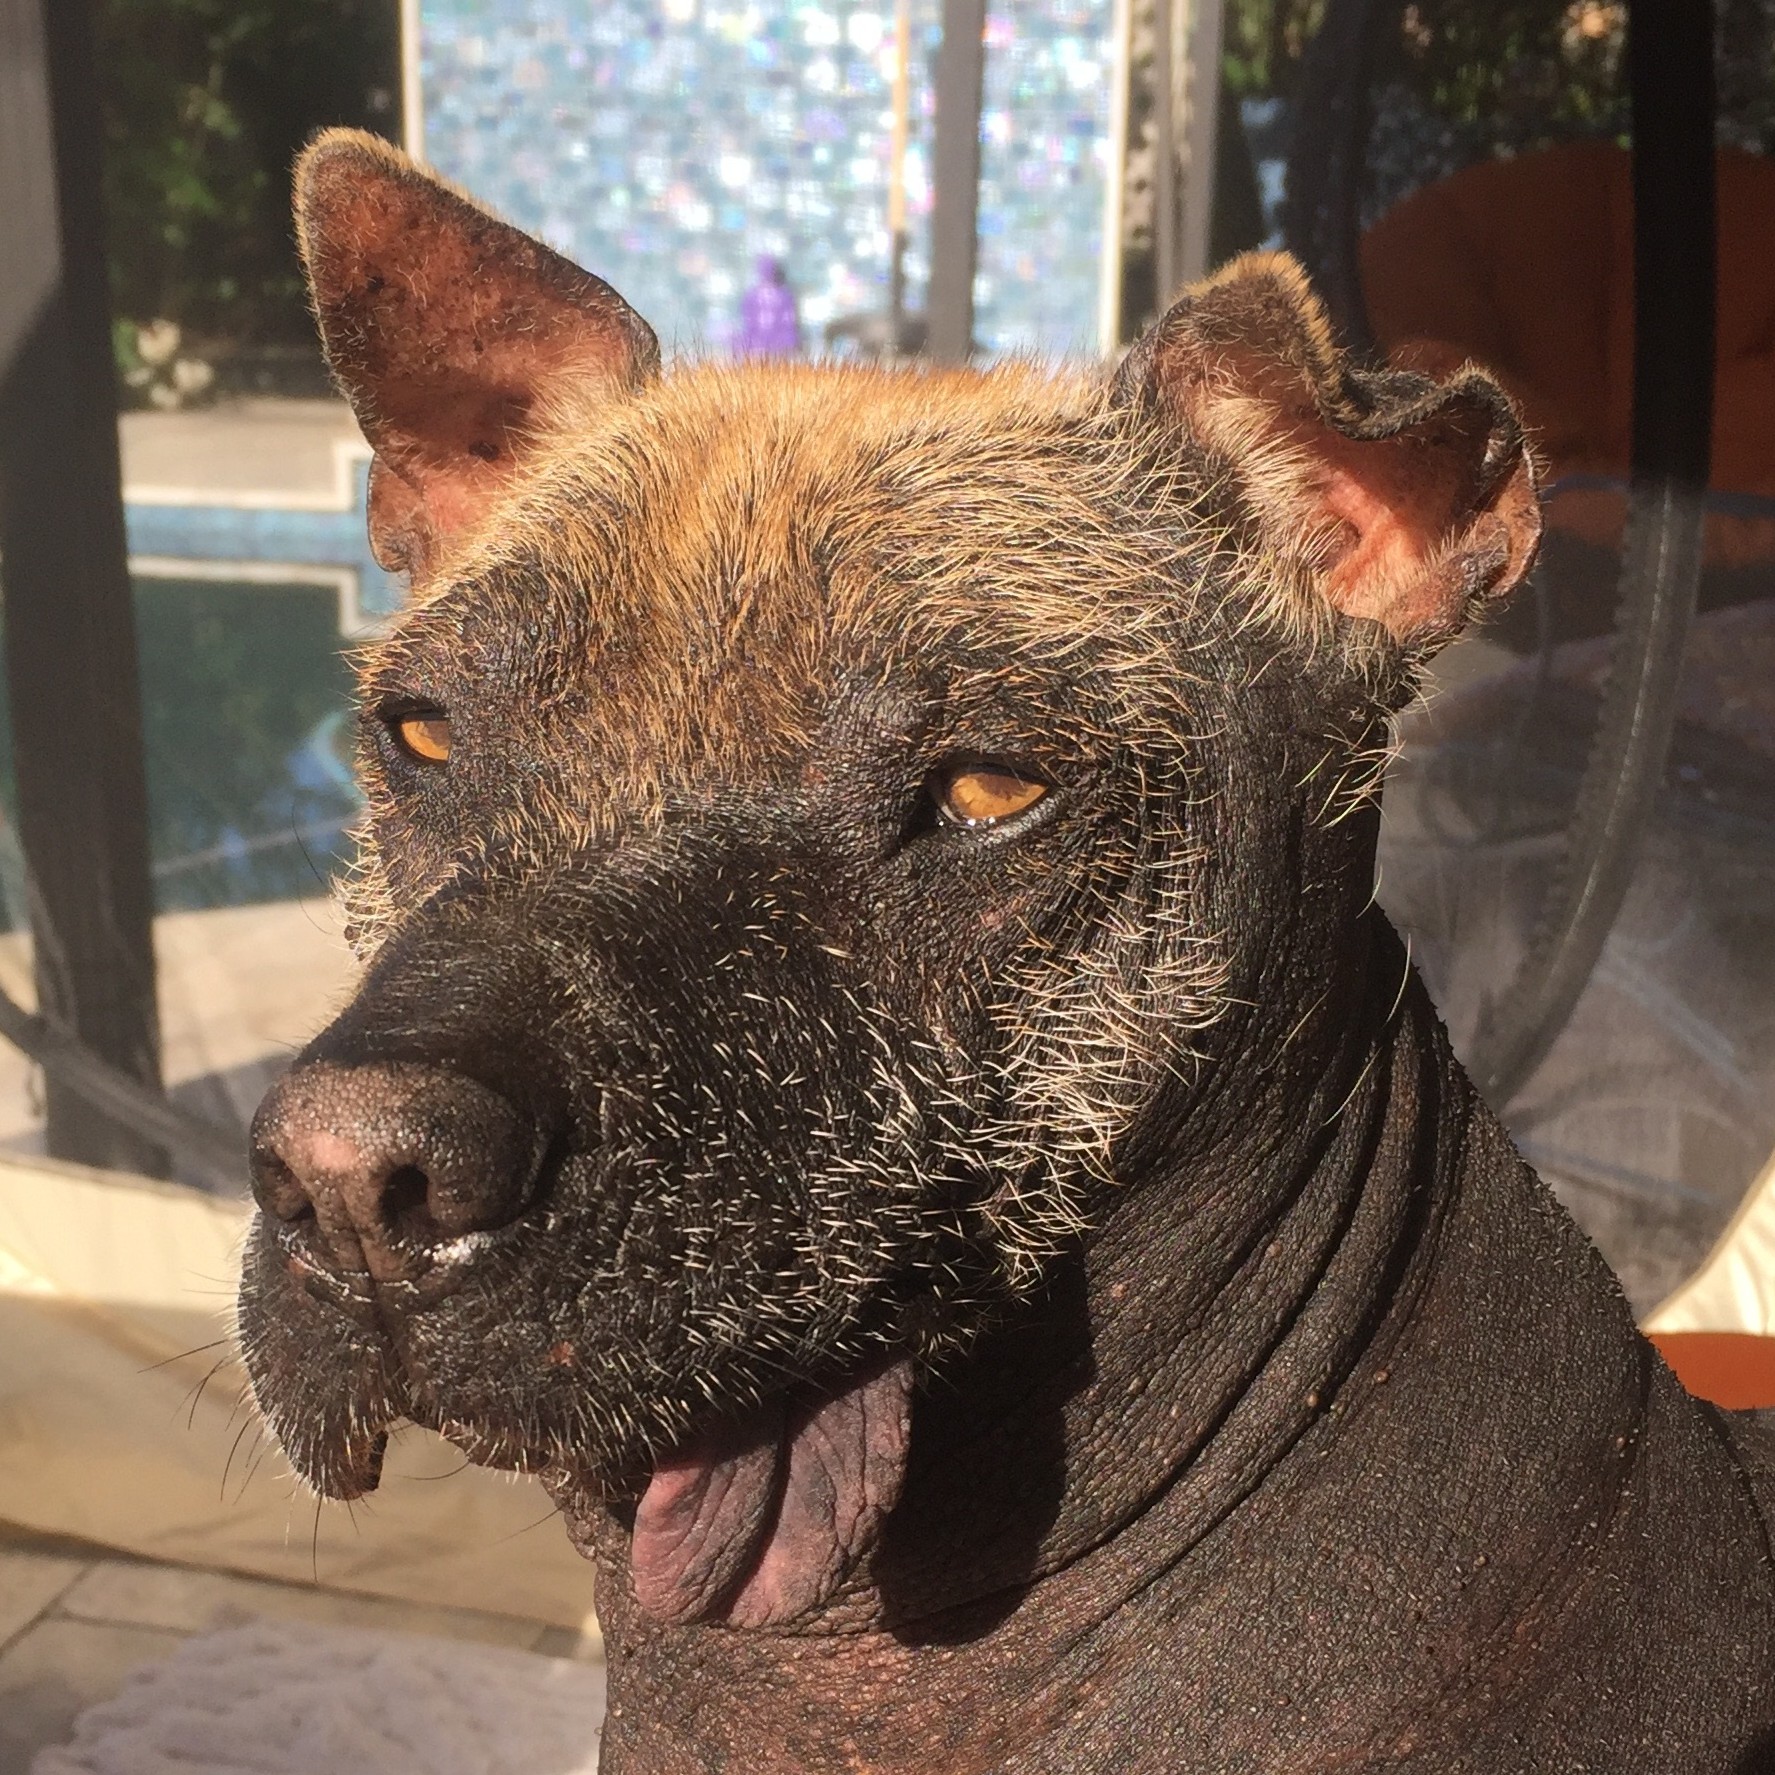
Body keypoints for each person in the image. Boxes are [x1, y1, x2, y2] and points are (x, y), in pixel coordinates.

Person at [736, 256, 801, 357]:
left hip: (773, 344)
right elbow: (748, 322)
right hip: (764, 344)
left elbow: (788, 323)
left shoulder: (783, 295)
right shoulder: (753, 296)